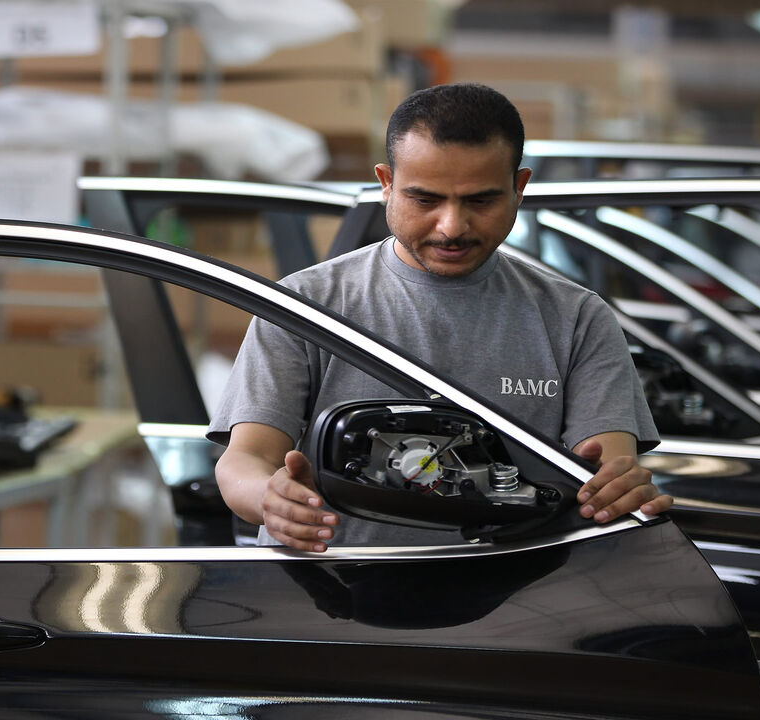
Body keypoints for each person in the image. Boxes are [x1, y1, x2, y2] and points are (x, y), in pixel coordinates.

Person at [208, 82, 672, 551]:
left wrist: (618, 489)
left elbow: (609, 469)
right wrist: (270, 498)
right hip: (333, 594)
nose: (452, 227)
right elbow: (243, 461)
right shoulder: (303, 304)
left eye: (480, 201)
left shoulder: (577, 318)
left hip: (520, 601)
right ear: (386, 184)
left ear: (520, 188)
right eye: (425, 200)